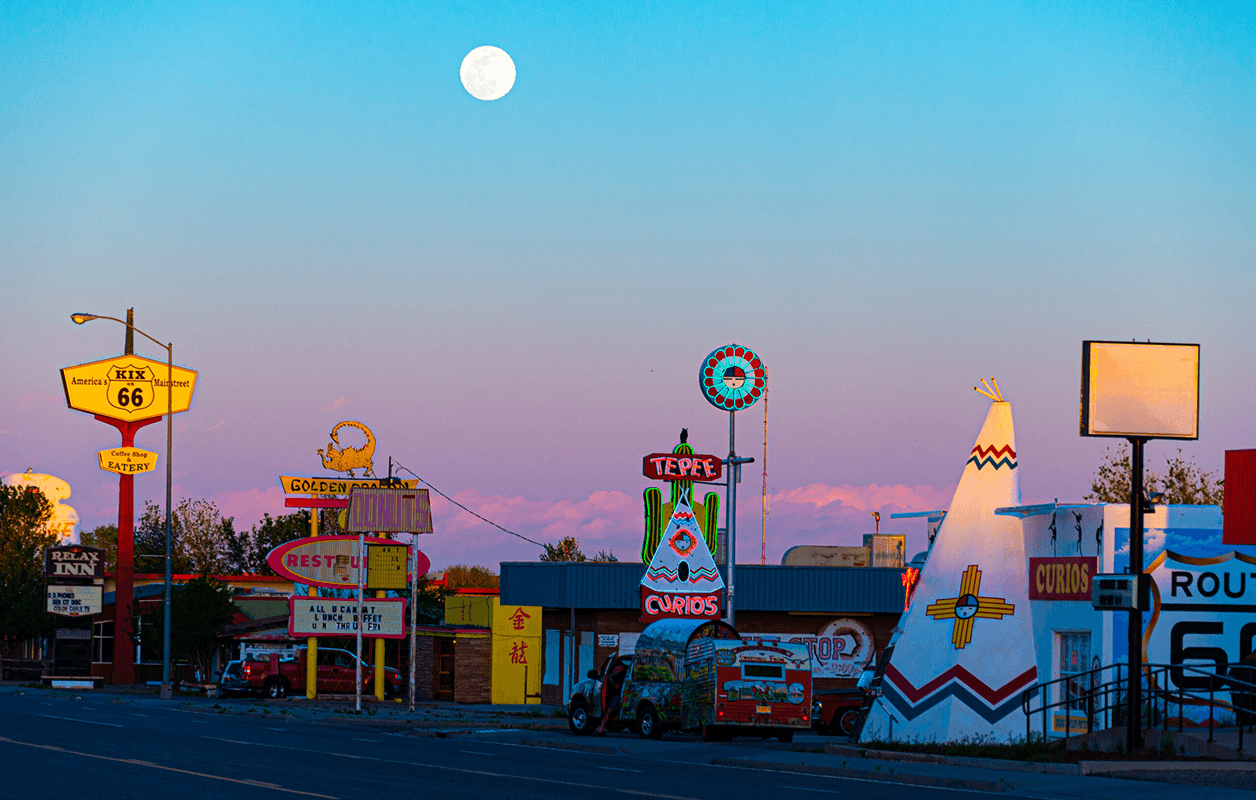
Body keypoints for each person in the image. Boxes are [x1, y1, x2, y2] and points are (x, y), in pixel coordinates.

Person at [595, 661, 629, 735]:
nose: (616, 670)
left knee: (607, 712)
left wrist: (611, 681)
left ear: (621, 667)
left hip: (617, 696)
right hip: (620, 696)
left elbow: (617, 686)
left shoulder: (620, 675)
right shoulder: (625, 674)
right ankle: (601, 729)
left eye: (617, 668)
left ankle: (601, 730)